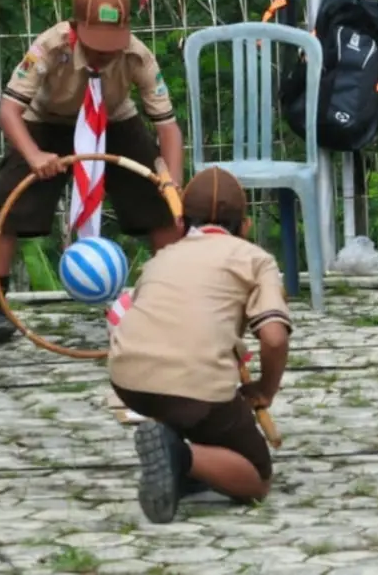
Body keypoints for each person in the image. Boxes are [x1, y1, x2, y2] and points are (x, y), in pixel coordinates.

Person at [0, 0, 186, 348]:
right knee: (5, 204)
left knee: (162, 205)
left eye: (111, 46)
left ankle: (175, 302)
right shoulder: (49, 47)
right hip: (46, 120)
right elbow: (9, 112)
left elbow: (168, 127)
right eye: (96, 46)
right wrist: (35, 155)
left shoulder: (137, 55)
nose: (104, 55)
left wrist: (173, 181)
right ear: (75, 29)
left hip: (115, 117)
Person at [108, 165, 291, 524]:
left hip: (128, 381)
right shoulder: (254, 258)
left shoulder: (162, 257)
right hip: (196, 386)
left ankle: (180, 460)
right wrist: (264, 389)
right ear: (245, 228)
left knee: (184, 403)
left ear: (180, 225)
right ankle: (181, 457)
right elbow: (273, 337)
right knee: (257, 479)